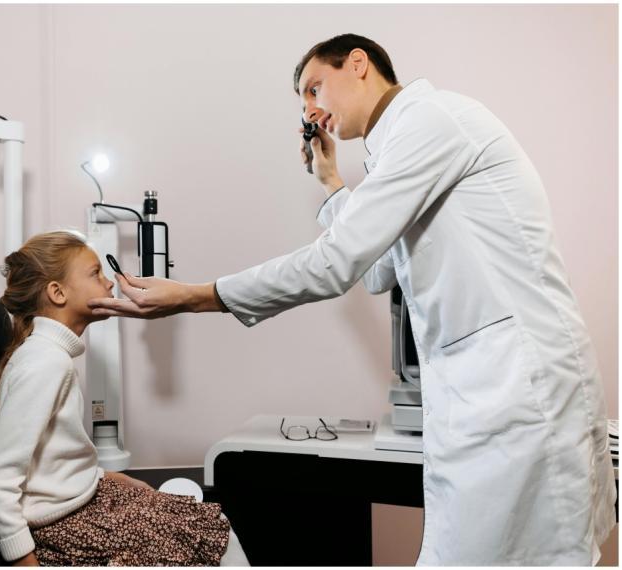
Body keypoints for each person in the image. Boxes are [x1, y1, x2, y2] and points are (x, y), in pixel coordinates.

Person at [88, 34, 617, 565]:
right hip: (479, 389)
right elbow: (378, 271)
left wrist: (196, 296)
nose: (311, 109)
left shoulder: (431, 121)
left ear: (359, 64)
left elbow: (337, 263)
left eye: (314, 88)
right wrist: (332, 182)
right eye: (302, 103)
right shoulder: (399, 147)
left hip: (519, 383)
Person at [0, 230, 247, 566]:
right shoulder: (45, 362)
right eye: (95, 273)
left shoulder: (47, 356)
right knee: (208, 537)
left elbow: (51, 460)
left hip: (81, 501)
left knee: (200, 522)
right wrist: (23, 560)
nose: (108, 284)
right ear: (58, 292)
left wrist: (104, 476)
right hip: (65, 524)